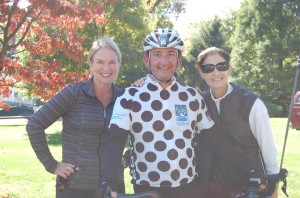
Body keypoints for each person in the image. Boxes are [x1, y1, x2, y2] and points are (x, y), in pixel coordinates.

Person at [93, 28, 215, 198]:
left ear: (179, 60)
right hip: (146, 188)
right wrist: (108, 182)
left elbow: (209, 141)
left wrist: (205, 183)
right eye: (157, 54)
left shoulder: (192, 96)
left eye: (171, 54)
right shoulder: (129, 97)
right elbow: (114, 143)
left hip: (189, 186)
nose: (164, 61)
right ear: (146, 59)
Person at [26, 37, 126, 198]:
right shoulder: (73, 93)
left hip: (113, 188)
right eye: (100, 62)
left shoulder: (125, 98)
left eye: (112, 62)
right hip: (72, 187)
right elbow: (34, 124)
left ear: (119, 64)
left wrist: (127, 159)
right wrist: (52, 165)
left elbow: (147, 135)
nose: (106, 67)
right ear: (91, 64)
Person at [194, 47, 279, 198]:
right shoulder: (198, 102)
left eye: (222, 66)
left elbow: (268, 146)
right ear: (201, 73)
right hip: (215, 186)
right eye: (208, 68)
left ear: (229, 69)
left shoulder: (251, 103)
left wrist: (273, 184)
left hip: (252, 184)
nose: (216, 73)